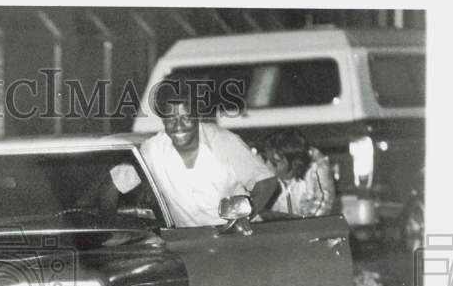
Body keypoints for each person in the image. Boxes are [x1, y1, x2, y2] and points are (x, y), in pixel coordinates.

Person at [125, 79, 279, 227]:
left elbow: (266, 182)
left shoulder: (224, 141)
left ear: (197, 116)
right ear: (162, 121)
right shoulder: (152, 150)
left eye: (186, 118)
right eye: (171, 119)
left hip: (236, 237)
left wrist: (245, 217)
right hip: (189, 244)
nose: (178, 126)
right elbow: (114, 183)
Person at [262, 129, 336, 217]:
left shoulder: (316, 167)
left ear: (295, 164)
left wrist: (307, 224)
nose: (267, 166)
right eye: (266, 160)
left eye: (274, 163)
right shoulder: (262, 169)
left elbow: (324, 200)